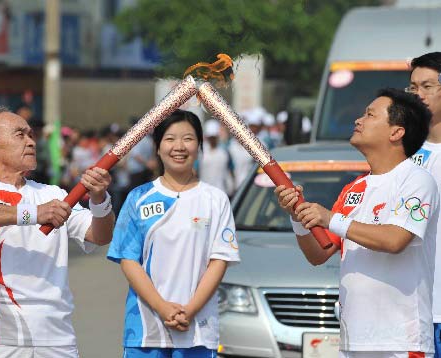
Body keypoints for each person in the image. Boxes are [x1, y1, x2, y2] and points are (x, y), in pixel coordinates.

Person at [275, 89, 439, 358]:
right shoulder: (354, 189)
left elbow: (394, 240)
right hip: (354, 340)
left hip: (400, 341)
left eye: (370, 114)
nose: (358, 120)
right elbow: (319, 254)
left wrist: (331, 218)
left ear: (396, 132)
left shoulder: (417, 180)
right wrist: (298, 219)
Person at [0, 106, 115, 358]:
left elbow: (100, 235)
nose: (31, 141)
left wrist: (99, 198)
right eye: (20, 135)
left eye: (31, 135)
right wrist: (34, 214)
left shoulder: (54, 195)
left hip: (56, 337)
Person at [107, 109, 240, 358]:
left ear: (199, 146)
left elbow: (219, 261)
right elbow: (128, 260)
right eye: (170, 139)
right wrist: (162, 307)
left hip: (198, 330)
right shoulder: (138, 198)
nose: (179, 146)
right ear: (157, 147)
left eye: (188, 139)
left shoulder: (216, 199)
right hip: (146, 329)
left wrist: (189, 310)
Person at [408, 52, 441, 358]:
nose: (417, 95)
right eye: (413, 87)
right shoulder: (402, 152)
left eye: (427, 86)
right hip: (416, 308)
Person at [199, 119, 233, 196]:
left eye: (213, 137)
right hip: (204, 193)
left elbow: (230, 170)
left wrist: (231, 187)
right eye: (210, 137)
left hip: (221, 192)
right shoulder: (200, 153)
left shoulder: (224, 152)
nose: (212, 140)